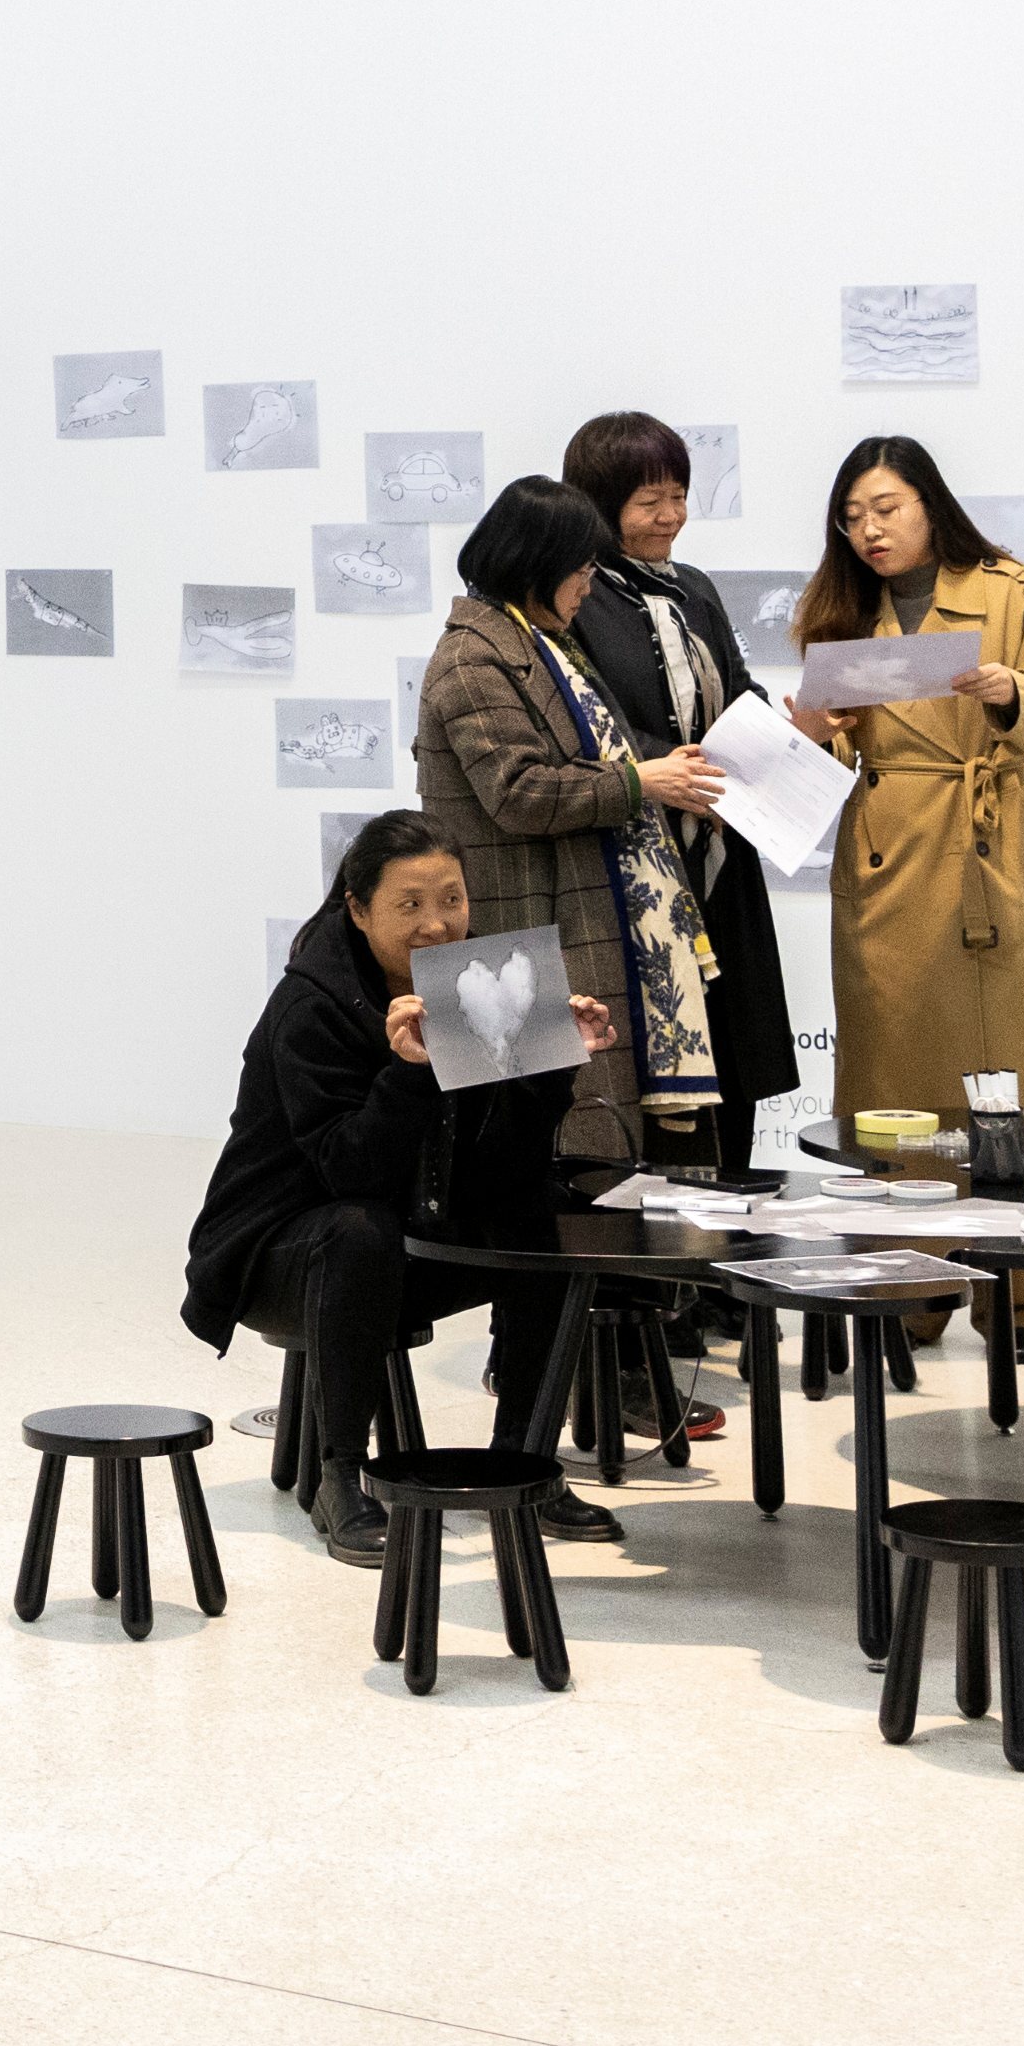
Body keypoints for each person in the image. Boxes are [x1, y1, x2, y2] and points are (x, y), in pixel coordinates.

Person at [414, 472, 750, 1433]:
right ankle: (557, 1396)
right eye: (579, 567)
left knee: (594, 1171)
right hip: (507, 955)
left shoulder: (541, 641)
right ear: (538, 562)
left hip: (567, 933)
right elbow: (521, 791)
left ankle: (602, 1384)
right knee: (543, 1182)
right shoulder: (471, 657)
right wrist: (642, 781)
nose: (589, 585)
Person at [178, 816, 604, 1562]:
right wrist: (409, 1071)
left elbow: (509, 1166)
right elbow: (348, 1172)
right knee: (358, 1228)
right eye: (409, 905)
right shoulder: (313, 1006)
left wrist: (554, 1064)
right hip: (280, 1253)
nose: (437, 924)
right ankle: (341, 1476)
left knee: (547, 1211)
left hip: (407, 1234)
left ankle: (525, 1458)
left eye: (452, 899)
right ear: (358, 908)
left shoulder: (477, 982)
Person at [791, 433, 1024, 1364]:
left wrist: (1012, 693)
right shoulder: (840, 608)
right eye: (852, 516)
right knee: (897, 1077)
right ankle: (911, 1284)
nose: (870, 530)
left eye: (886, 508)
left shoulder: (1009, 590)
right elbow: (829, 750)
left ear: (930, 503)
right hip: (889, 857)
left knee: (1022, 1069)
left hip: (993, 844)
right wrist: (814, 727)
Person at [552, 411, 810, 1176]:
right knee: (652, 1074)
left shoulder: (694, 588)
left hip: (721, 860)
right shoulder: (576, 596)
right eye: (649, 501)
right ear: (599, 507)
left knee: (734, 1056)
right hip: (636, 870)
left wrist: (792, 729)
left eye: (679, 496)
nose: (671, 515)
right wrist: (667, 766)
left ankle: (735, 1243)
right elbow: (582, 719)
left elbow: (737, 689)